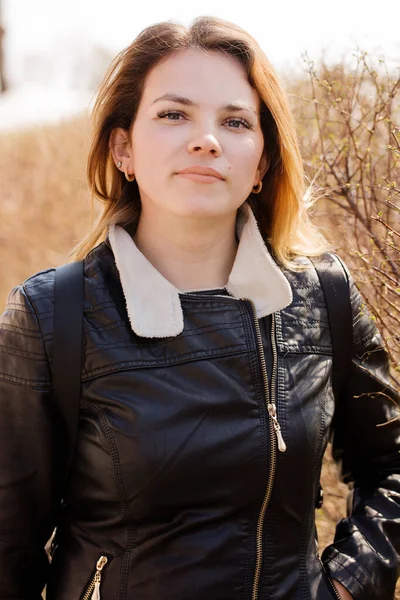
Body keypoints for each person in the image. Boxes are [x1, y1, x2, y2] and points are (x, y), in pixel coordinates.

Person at [0, 15, 399, 600]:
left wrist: (344, 585)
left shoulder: (323, 297)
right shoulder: (52, 314)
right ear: (123, 148)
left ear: (261, 163)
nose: (206, 139)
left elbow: (391, 466)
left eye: (235, 121)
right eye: (173, 114)